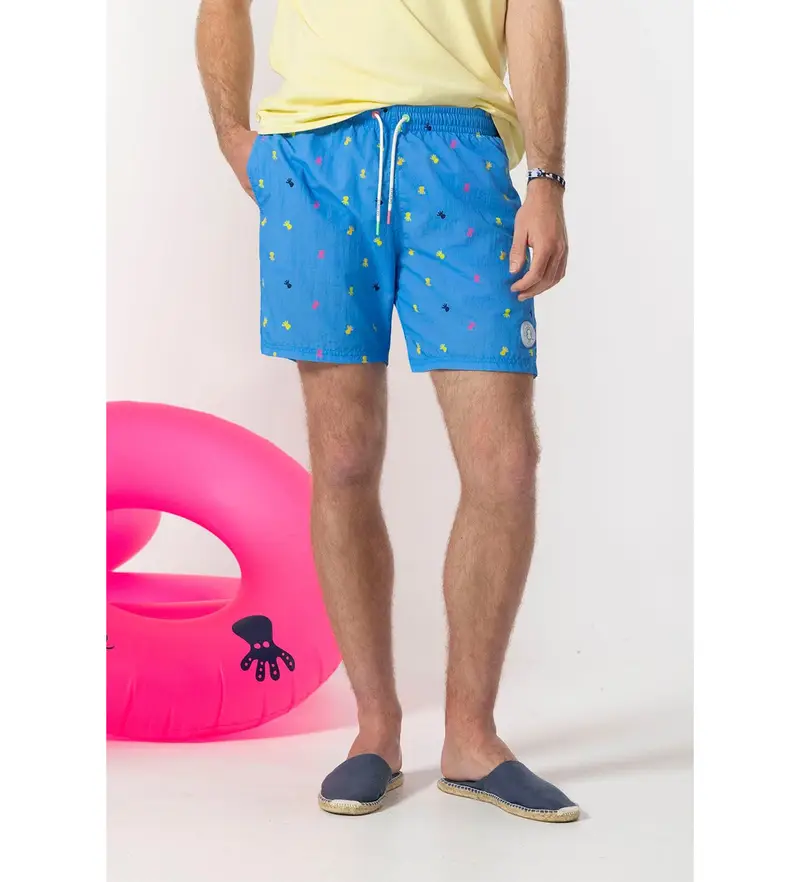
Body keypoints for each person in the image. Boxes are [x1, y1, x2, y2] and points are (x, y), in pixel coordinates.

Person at [197, 0, 578, 822]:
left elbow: (534, 10)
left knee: (505, 463)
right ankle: (375, 730)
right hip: (313, 159)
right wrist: (235, 140)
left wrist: (546, 179)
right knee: (342, 458)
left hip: (460, 148)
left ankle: (472, 738)